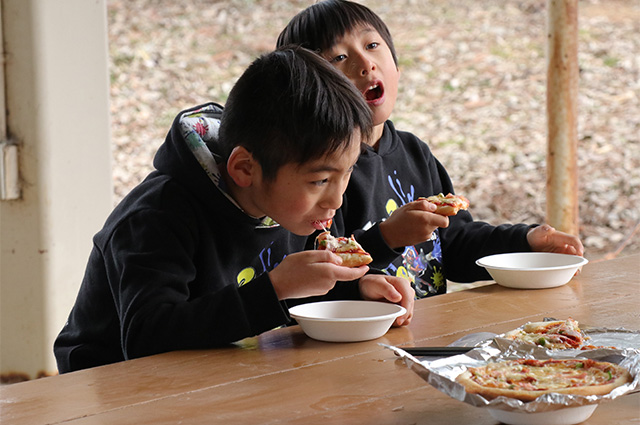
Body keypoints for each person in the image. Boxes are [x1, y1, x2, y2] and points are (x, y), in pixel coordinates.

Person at [54, 46, 414, 373]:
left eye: (347, 173)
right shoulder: (156, 217)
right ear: (244, 169)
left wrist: (358, 291)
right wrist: (274, 288)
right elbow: (147, 336)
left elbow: (285, 298)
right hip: (111, 389)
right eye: (320, 181)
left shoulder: (289, 206)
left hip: (223, 373)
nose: (336, 200)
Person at [277, 1, 584, 297]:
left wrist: (526, 240)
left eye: (371, 46)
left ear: (396, 67)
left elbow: (454, 243)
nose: (366, 63)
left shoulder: (414, 153)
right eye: (340, 58)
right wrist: (387, 238)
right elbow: (312, 284)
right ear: (311, 94)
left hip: (427, 335)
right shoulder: (317, 177)